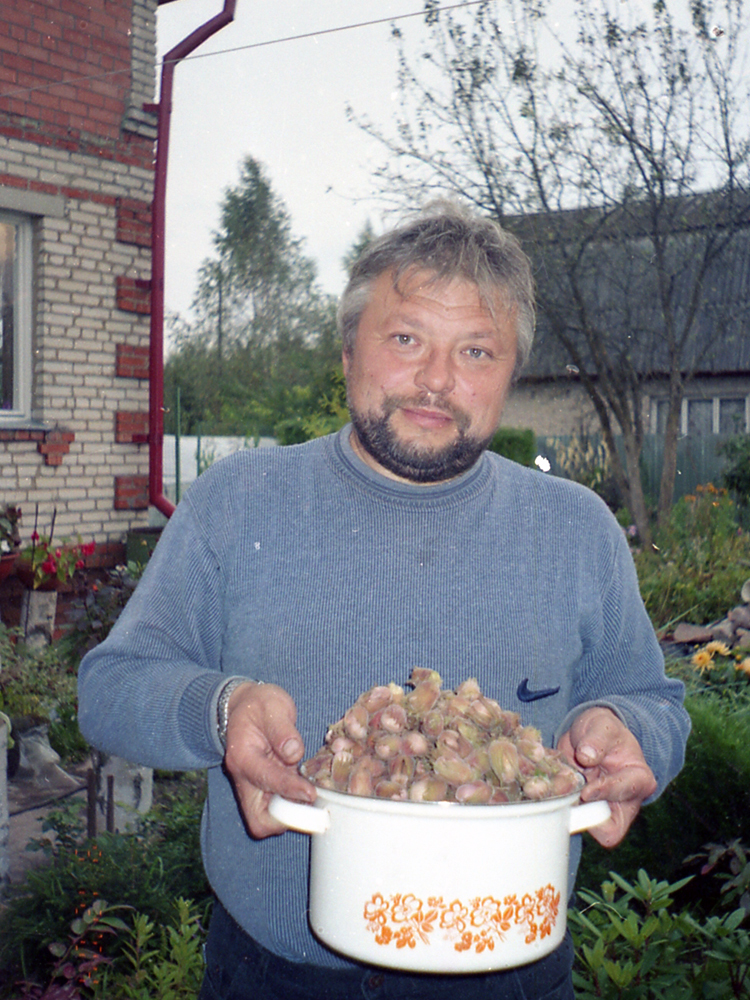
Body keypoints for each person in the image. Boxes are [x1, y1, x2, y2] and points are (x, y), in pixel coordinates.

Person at [78, 201, 690, 1000]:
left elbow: (656, 701)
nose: (438, 379)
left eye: (477, 350)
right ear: (347, 350)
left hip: (509, 965)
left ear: (511, 374)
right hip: (275, 976)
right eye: (406, 339)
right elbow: (110, 688)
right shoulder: (239, 502)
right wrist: (221, 710)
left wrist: (631, 730)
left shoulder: (576, 527)